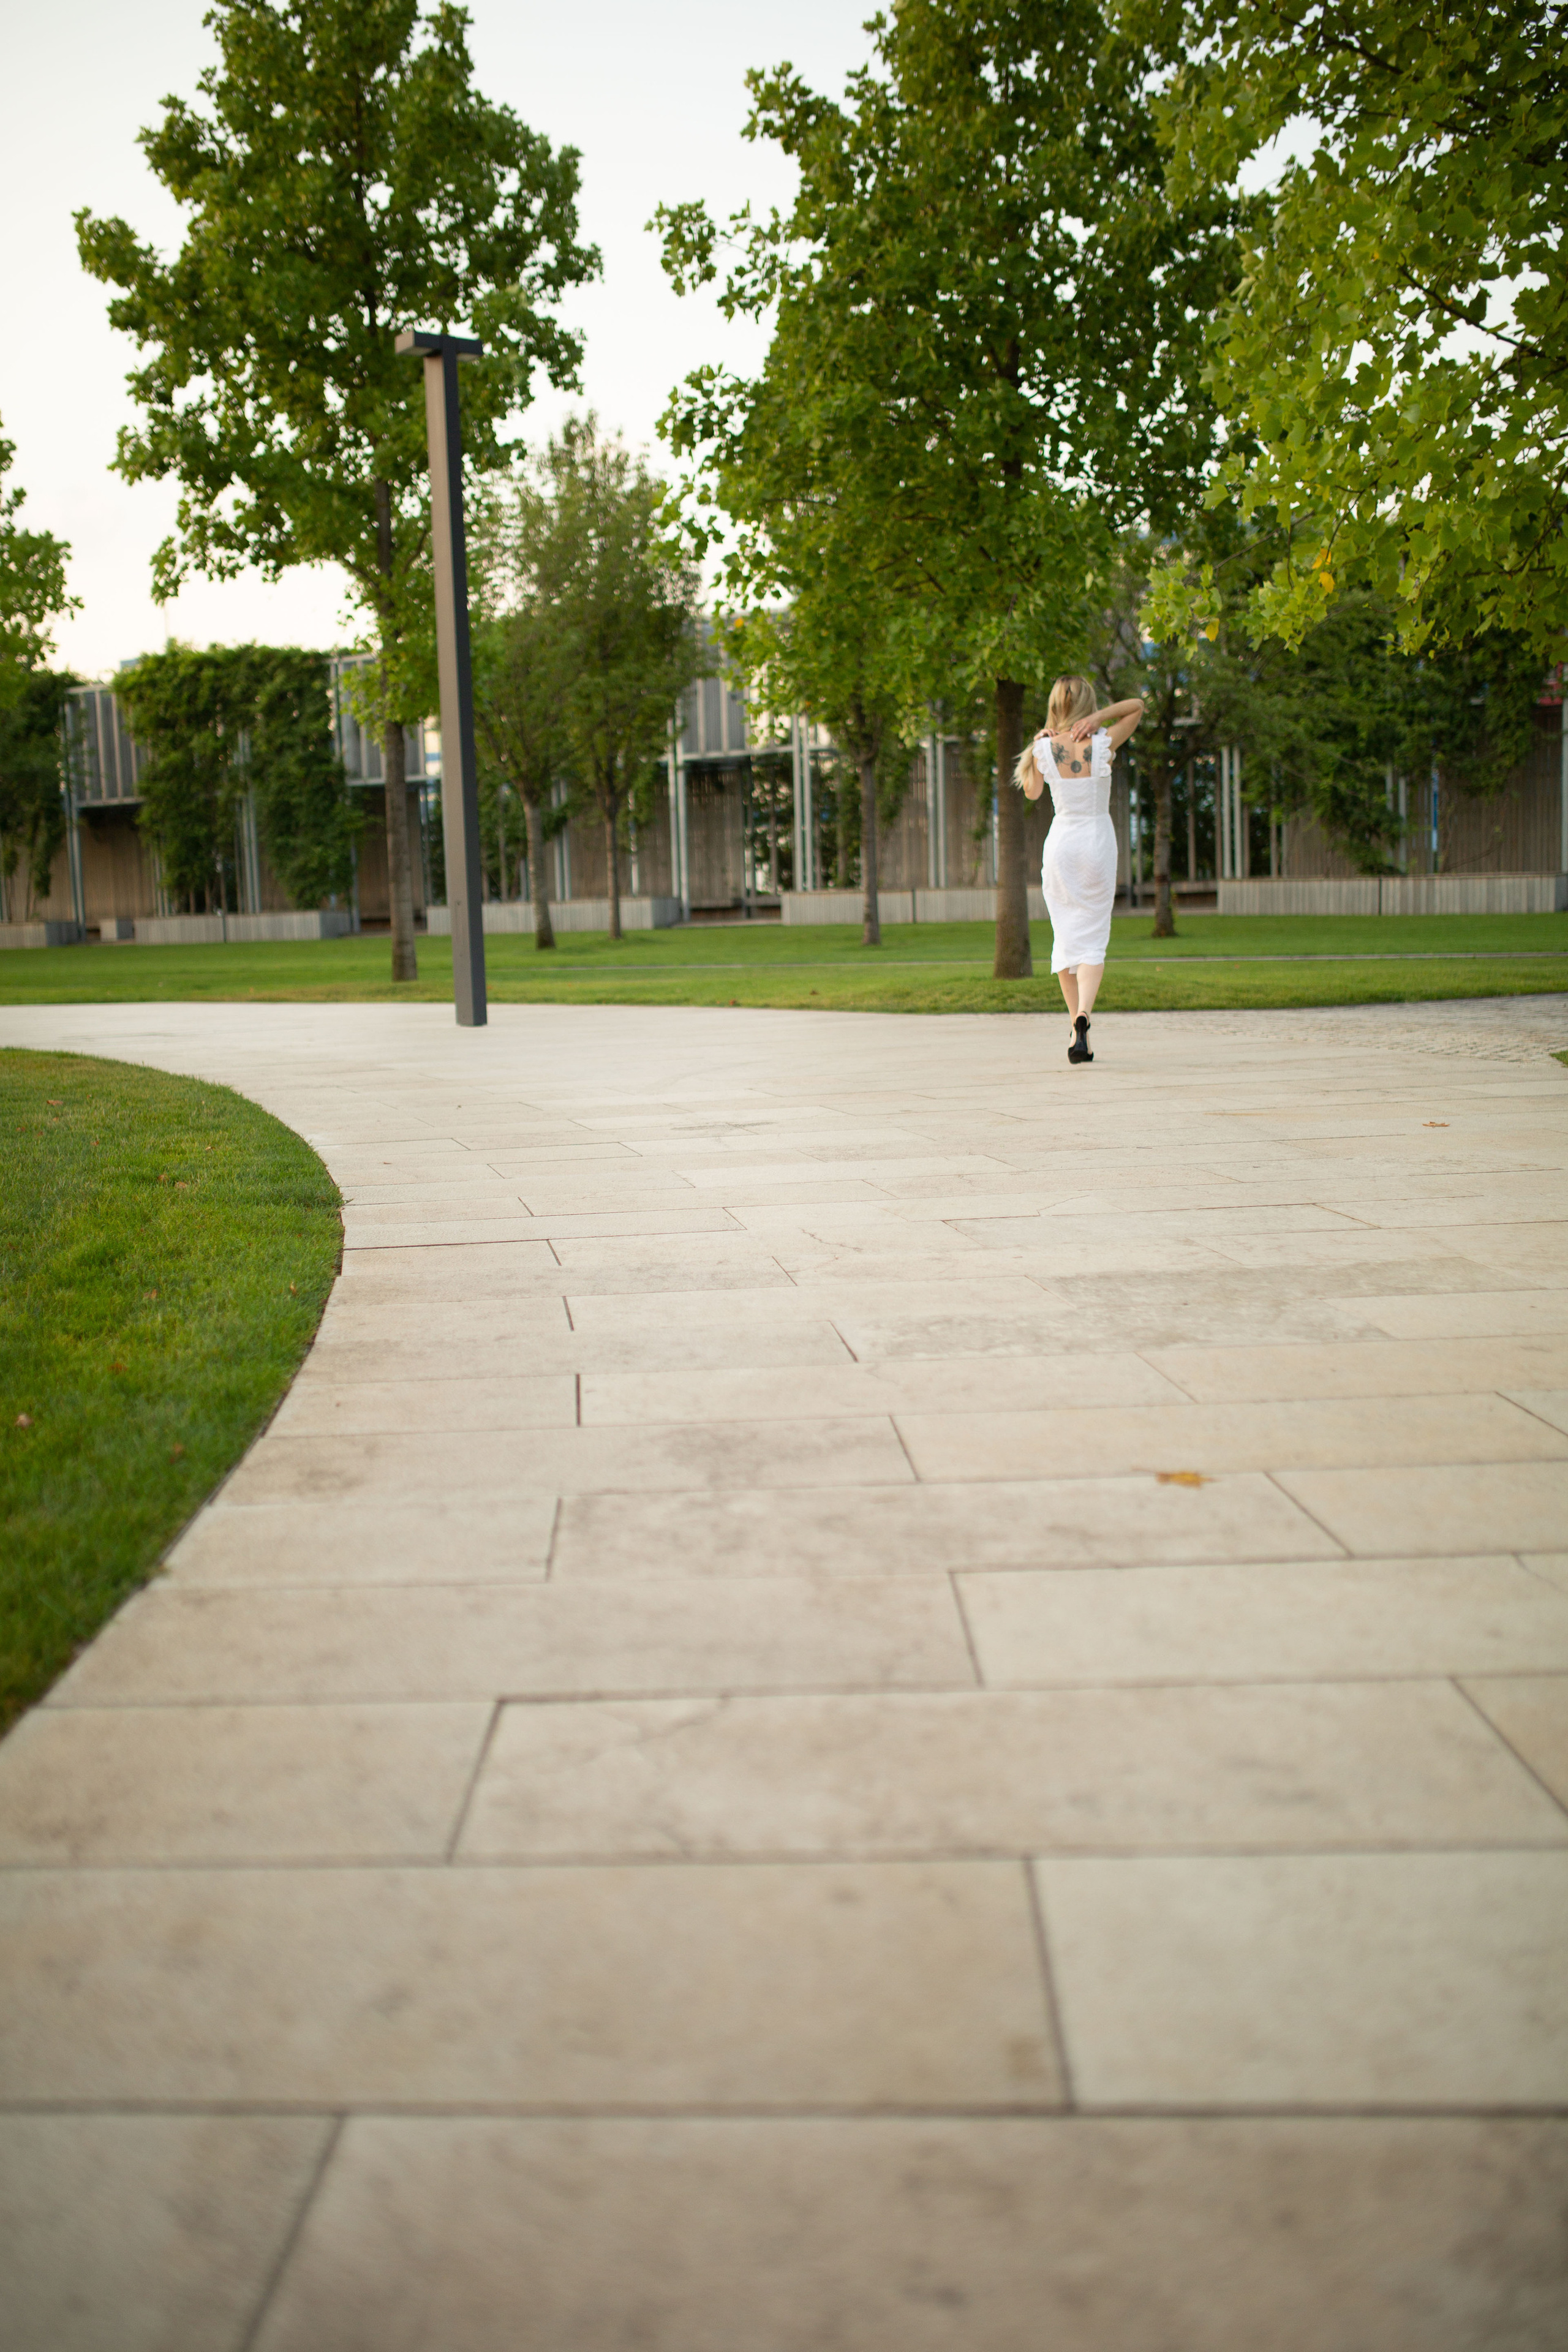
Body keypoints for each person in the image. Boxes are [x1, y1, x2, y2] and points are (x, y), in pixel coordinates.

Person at [1016, 676, 1145, 1063]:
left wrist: (1038, 742)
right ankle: (1085, 1014)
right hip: (1097, 845)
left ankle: (1076, 1026)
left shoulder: (1043, 748)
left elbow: (1033, 793)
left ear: (1054, 704)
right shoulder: (1103, 743)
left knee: (1066, 937)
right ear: (1087, 702)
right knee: (1093, 936)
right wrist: (1100, 718)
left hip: (1061, 848)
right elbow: (1137, 705)